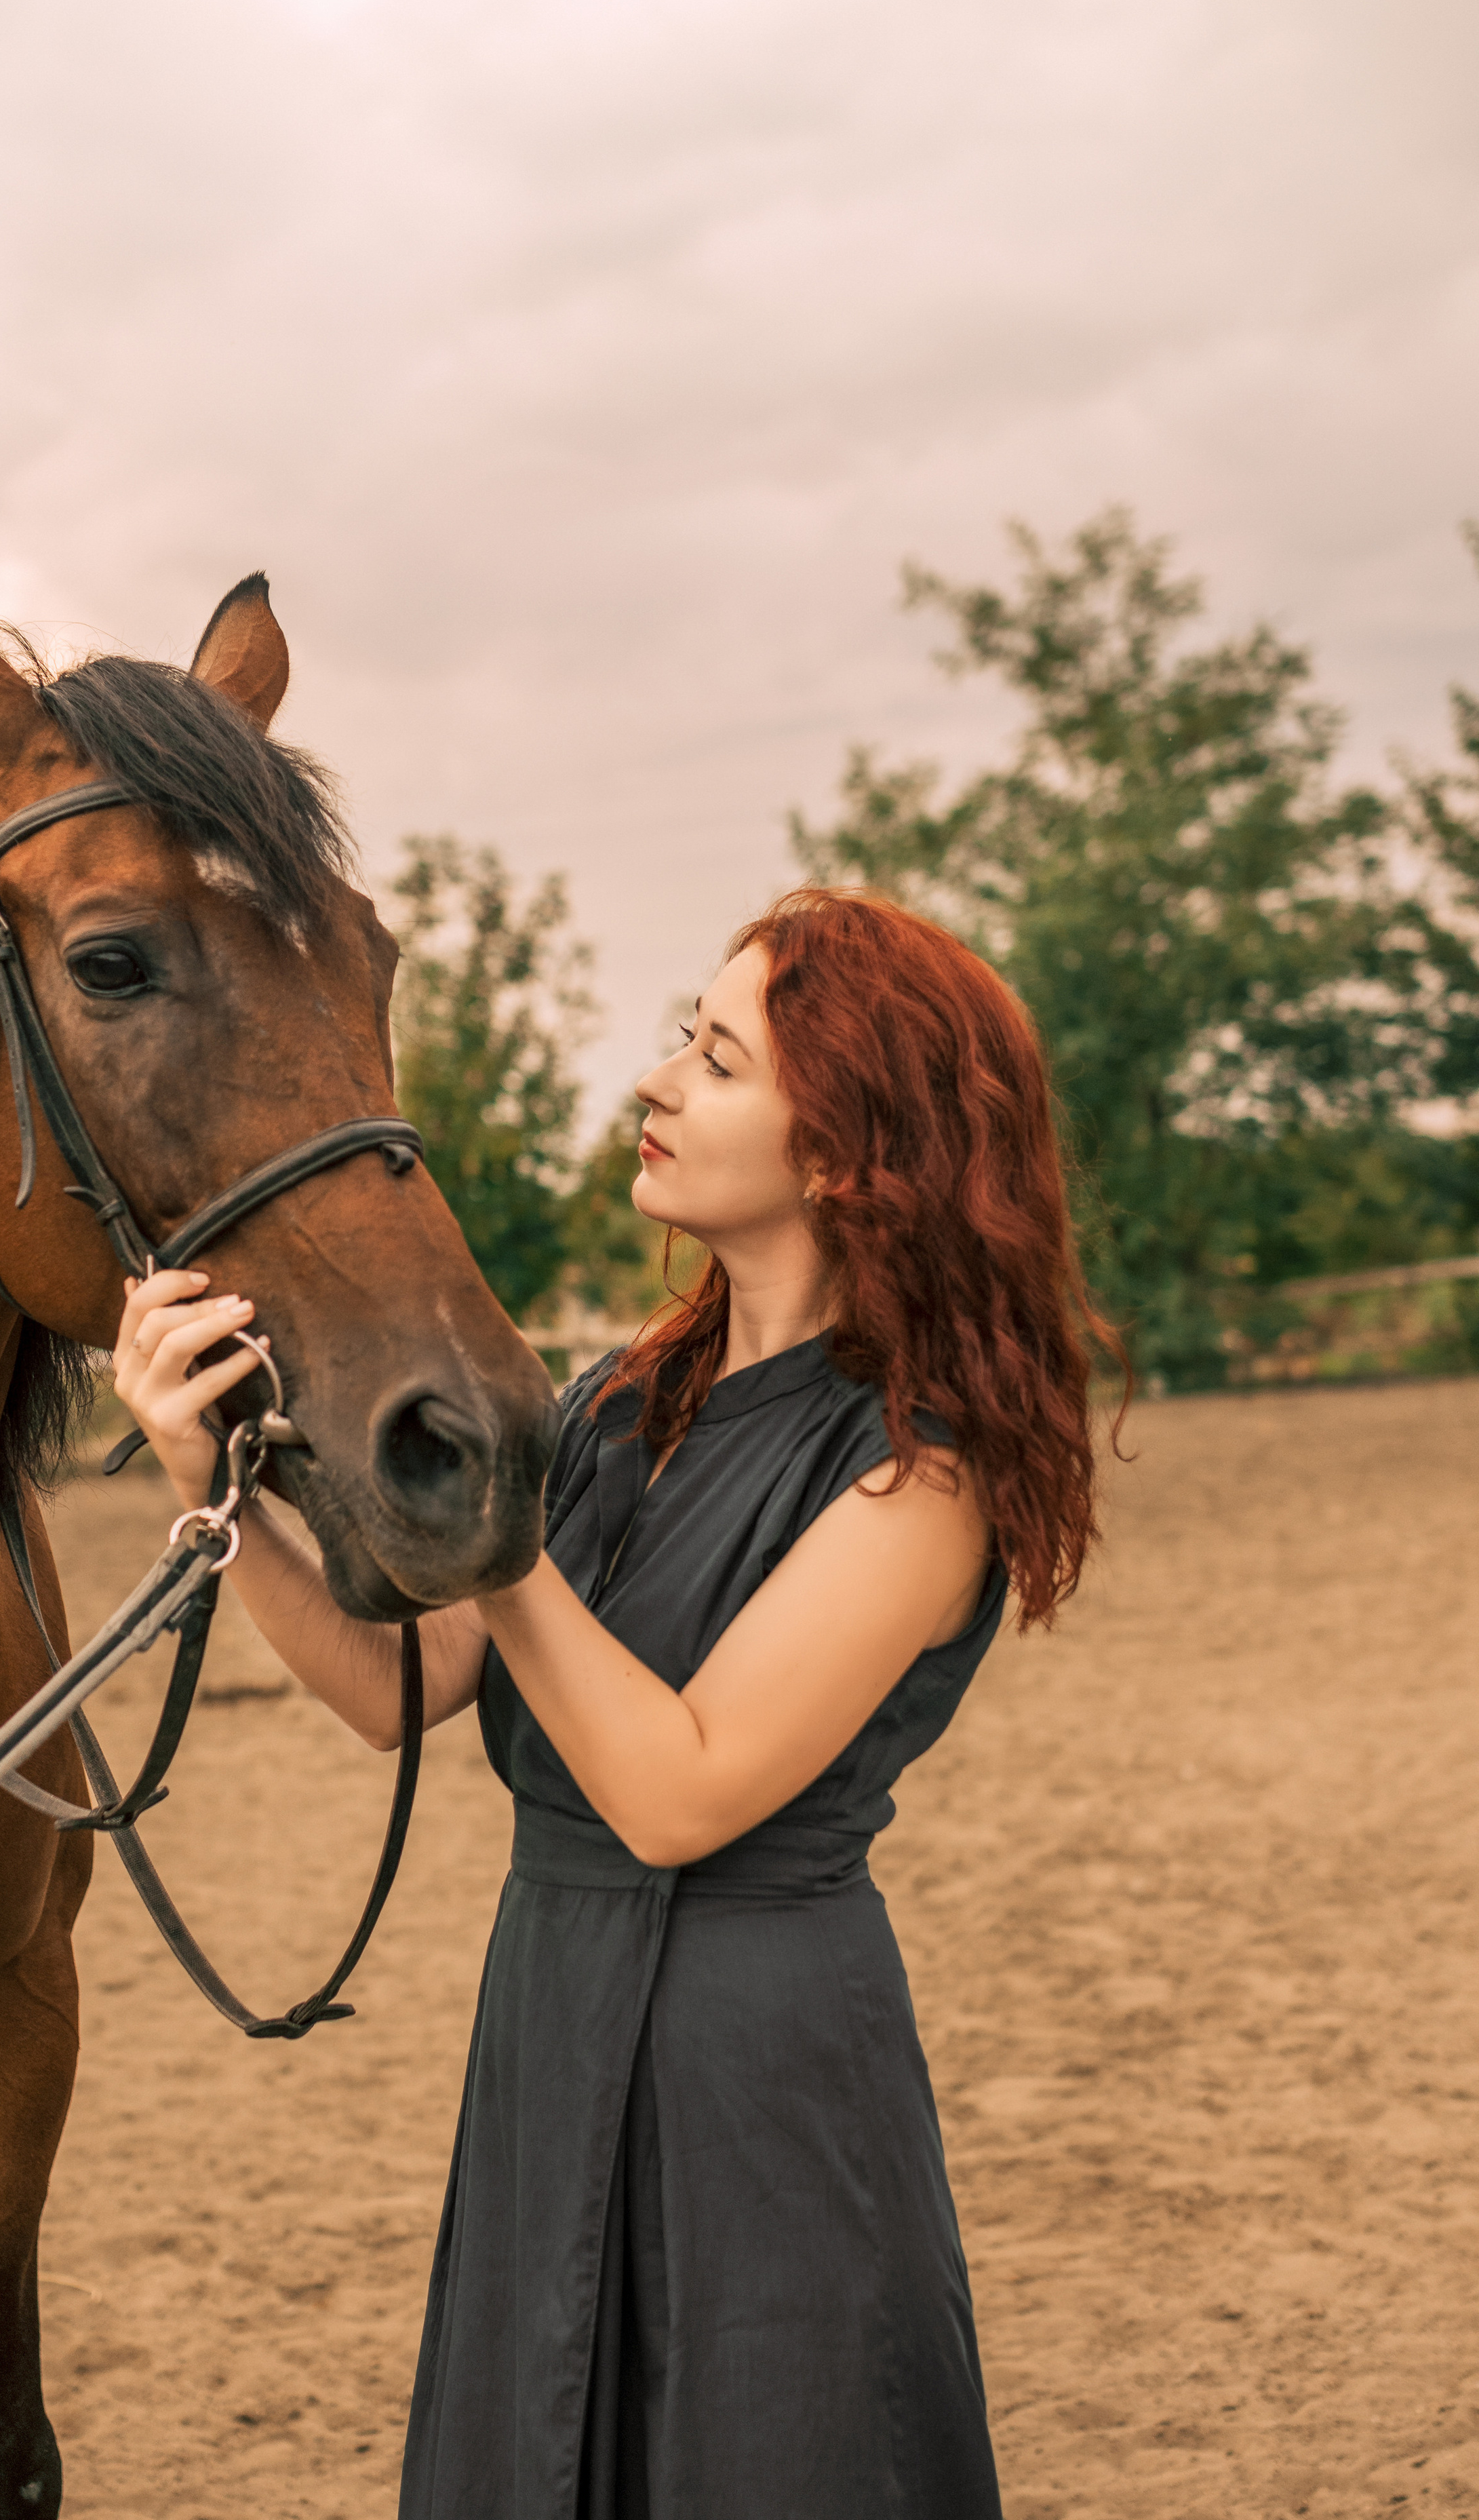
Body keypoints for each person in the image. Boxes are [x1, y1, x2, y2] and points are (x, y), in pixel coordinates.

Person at [114, 885, 1125, 2519]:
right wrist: (207, 1487)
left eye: (716, 1061)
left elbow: (677, 1793)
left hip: (758, 2061)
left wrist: (490, 1530)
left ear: (843, 1153)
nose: (655, 1080)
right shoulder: (611, 1405)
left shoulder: (919, 1467)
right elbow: (398, 1690)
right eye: (681, 1038)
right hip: (551, 2009)